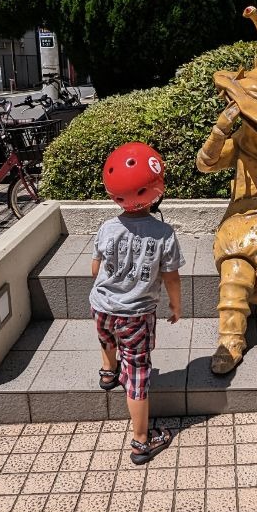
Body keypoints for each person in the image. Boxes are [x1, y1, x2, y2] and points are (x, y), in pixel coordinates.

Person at [90, 142, 183, 464]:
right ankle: (142, 440)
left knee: (106, 337)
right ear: (157, 189)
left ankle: (107, 372)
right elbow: (171, 276)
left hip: (102, 305)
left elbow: (95, 266)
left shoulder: (106, 228)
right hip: (136, 315)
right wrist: (176, 306)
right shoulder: (164, 233)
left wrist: (106, 289)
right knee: (138, 372)